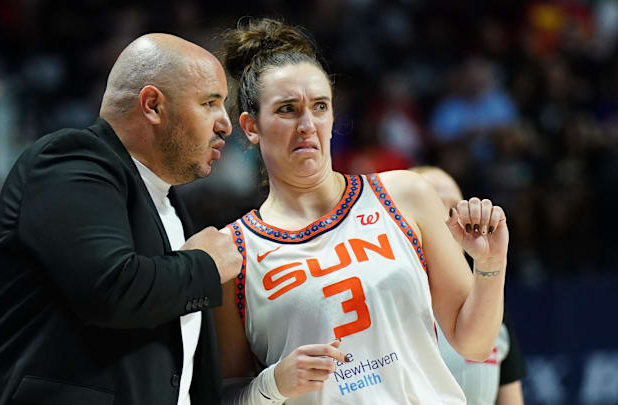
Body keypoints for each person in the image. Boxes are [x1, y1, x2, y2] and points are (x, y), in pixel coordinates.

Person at [0, 33, 241, 405]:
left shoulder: (169, 204)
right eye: (209, 103)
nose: (225, 123)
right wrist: (205, 266)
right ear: (153, 106)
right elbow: (111, 289)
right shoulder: (71, 161)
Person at [215, 18, 509, 404]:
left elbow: (473, 343)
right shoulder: (231, 252)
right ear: (251, 127)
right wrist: (273, 384)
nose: (307, 124)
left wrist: (491, 264)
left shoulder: (406, 194)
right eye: (287, 109)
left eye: (320, 107)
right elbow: (221, 395)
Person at [410, 166, 526, 405]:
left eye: (455, 207)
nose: (448, 218)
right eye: (434, 206)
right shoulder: (382, 303)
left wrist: (491, 262)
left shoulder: (489, 304)